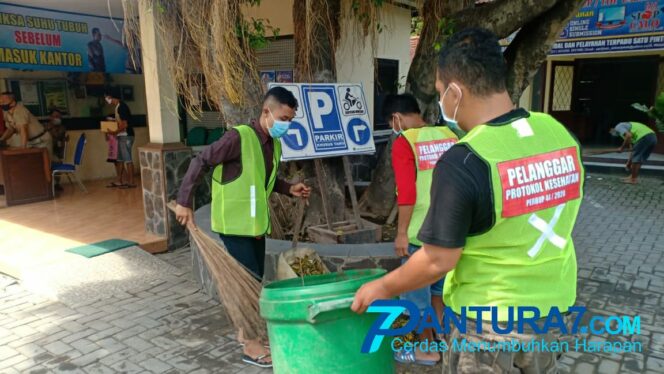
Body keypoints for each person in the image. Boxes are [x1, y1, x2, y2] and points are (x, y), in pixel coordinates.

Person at [352, 28, 584, 373]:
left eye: (440, 92)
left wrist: (383, 286)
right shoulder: (558, 133)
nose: (441, 101)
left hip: (488, 326)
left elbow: (438, 259)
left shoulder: (467, 159)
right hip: (553, 312)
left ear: (456, 91)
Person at [174, 86, 311, 368]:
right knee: (246, 284)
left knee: (254, 280)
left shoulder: (273, 144)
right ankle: (251, 346)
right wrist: (184, 201)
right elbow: (201, 160)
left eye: (290, 120)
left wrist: (289, 188)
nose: (287, 124)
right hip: (234, 224)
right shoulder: (238, 137)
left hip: (255, 225)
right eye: (284, 118)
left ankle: (243, 333)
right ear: (266, 112)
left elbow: (263, 180)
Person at [382, 93, 458, 366]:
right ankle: (445, 345)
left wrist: (401, 232)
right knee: (439, 294)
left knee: (416, 299)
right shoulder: (450, 136)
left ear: (397, 119)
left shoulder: (405, 142)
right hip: (450, 231)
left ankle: (427, 351)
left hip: (419, 236)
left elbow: (407, 192)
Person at [0, 92, 53, 160]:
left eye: (4, 101)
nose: (1, 103)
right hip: (30, 141)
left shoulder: (20, 111)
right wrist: (2, 140)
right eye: (1, 101)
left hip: (42, 140)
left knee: (45, 164)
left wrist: (23, 148)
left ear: (12, 102)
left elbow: (23, 129)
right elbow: (11, 129)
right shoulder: (7, 112)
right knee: (31, 164)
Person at [104, 91, 136, 188]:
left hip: (126, 136)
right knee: (120, 159)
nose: (107, 100)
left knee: (128, 159)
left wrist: (114, 132)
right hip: (121, 136)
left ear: (113, 97)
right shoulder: (117, 107)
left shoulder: (122, 107)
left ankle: (131, 182)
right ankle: (119, 181)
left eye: (108, 98)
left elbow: (125, 124)